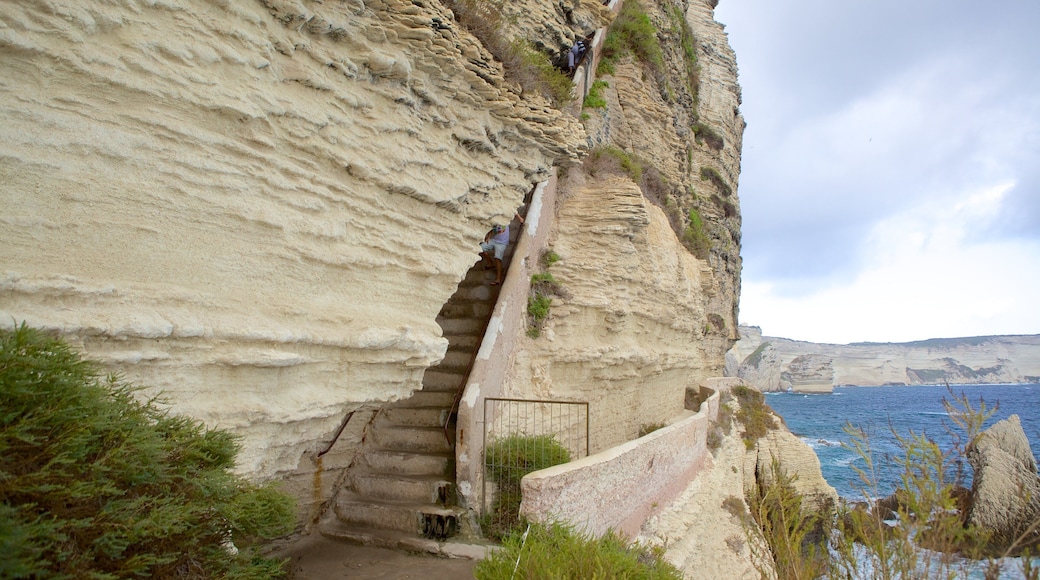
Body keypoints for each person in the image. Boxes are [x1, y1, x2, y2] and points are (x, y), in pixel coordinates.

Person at [479, 212, 524, 286]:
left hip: (502, 243)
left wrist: (520, 218)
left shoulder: (504, 217)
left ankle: (498, 279)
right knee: (480, 249)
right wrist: (489, 236)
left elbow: (513, 211)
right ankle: (490, 263)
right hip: (494, 240)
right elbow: (491, 228)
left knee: (497, 258)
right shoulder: (494, 218)